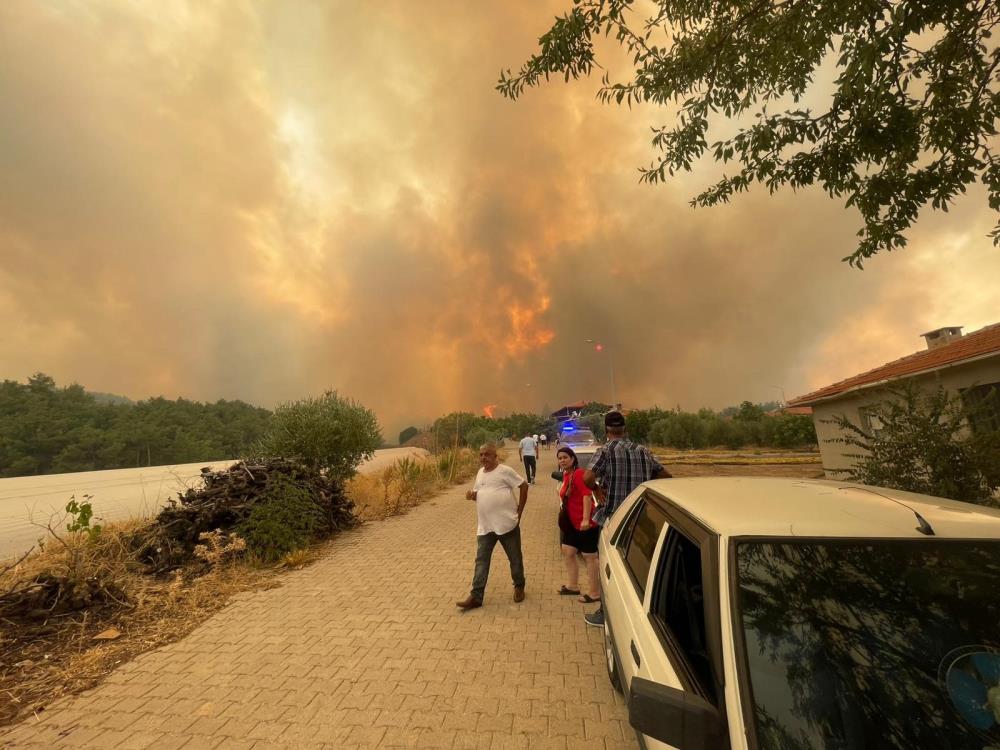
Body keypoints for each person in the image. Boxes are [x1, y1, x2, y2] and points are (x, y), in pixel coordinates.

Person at [583, 411, 671, 627]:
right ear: (625, 430)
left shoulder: (605, 451)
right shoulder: (643, 451)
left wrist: (596, 489)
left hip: (615, 519)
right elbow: (666, 476)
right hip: (641, 518)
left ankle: (605, 614)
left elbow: (587, 477)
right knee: (638, 569)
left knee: (610, 567)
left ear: (606, 431)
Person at [456, 443, 529, 610]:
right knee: (481, 561)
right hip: (485, 526)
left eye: (487, 454)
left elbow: (524, 485)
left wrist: (520, 511)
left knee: (515, 558)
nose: (483, 458)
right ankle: (476, 596)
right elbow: (479, 494)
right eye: (481, 455)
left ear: (495, 456)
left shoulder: (505, 471)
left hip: (507, 525)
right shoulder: (480, 473)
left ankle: (519, 586)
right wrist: (472, 496)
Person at [554, 446, 600, 603]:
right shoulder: (567, 475)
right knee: (568, 551)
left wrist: (586, 520)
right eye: (560, 458)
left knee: (590, 557)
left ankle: (595, 593)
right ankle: (573, 586)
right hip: (572, 524)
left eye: (565, 457)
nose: (562, 460)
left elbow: (587, 496)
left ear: (573, 459)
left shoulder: (579, 474)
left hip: (585, 524)